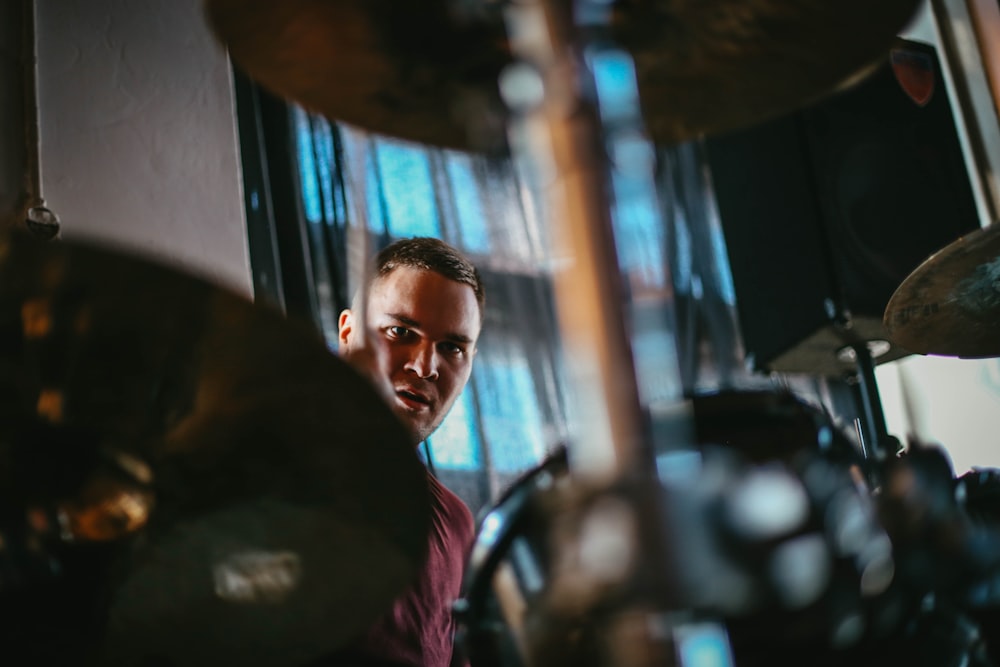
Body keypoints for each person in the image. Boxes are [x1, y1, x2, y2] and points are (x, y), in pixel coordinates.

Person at [326, 236, 485, 667]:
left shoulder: (455, 524)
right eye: (401, 332)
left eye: (452, 347)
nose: (424, 367)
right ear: (347, 333)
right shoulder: (252, 465)